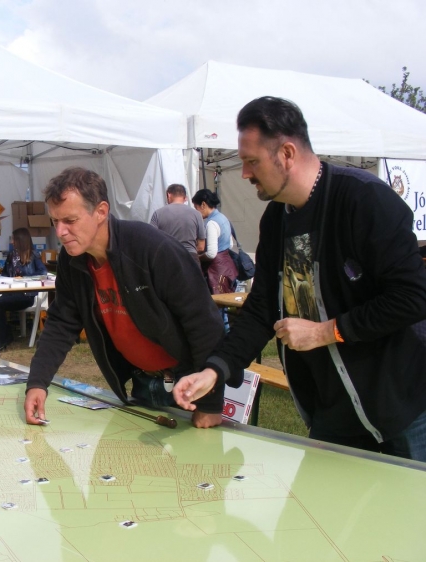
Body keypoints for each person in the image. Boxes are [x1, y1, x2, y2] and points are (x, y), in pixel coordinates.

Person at [175, 96, 426, 461]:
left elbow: (413, 297)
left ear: (287, 153)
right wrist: (215, 371)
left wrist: (325, 332)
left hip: (403, 409)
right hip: (332, 414)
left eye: (252, 161)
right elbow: (261, 310)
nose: (244, 173)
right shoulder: (276, 220)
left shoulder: (365, 200)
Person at [24, 167, 225, 428]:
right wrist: (38, 382)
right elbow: (62, 322)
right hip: (141, 381)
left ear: (101, 212)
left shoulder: (152, 248)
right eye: (55, 221)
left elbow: (204, 323)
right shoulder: (71, 260)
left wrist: (210, 404)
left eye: (70, 220)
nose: (60, 231)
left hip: (188, 385)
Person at [0, 227, 48, 350]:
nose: (12, 242)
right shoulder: (11, 256)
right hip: (10, 293)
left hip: (26, 295)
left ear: (21, 240)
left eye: (14, 239)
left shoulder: (33, 255)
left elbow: (43, 272)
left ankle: (2, 339)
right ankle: (1, 336)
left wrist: (24, 278)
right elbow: (5, 274)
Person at [191, 189, 238, 295]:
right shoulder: (223, 217)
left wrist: (198, 257)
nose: (196, 212)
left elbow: (211, 254)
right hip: (228, 266)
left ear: (203, 205)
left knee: (216, 302)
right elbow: (230, 244)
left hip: (216, 271)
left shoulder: (211, 223)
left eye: (196, 208)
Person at [149, 183, 205, 262]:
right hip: (190, 258)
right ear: (185, 198)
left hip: (167, 257)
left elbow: (152, 240)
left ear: (169, 195)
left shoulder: (157, 214)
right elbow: (201, 247)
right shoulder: (197, 214)